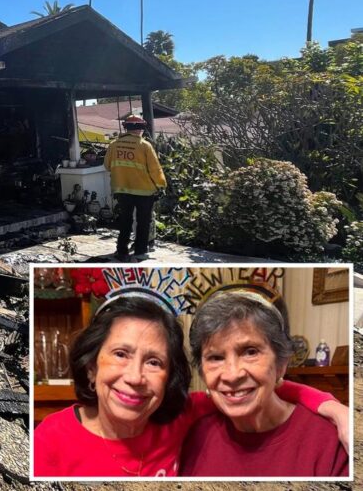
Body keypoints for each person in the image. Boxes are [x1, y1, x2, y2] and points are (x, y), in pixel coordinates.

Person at [32, 294, 348, 478]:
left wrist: (332, 407)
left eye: (154, 362)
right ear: (91, 366)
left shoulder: (181, 417)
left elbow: (264, 391)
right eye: (120, 354)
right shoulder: (50, 440)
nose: (135, 377)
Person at [179, 290, 349, 476]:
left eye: (250, 352)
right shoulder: (193, 436)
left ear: (281, 364)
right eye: (216, 357)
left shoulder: (331, 442)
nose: (232, 375)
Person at [103, 114, 166, 262]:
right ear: (141, 129)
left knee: (125, 220)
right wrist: (161, 185)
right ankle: (140, 251)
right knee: (143, 222)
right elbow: (155, 170)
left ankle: (121, 250)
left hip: (122, 190)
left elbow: (107, 166)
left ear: (126, 128)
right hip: (144, 191)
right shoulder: (145, 146)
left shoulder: (114, 145)